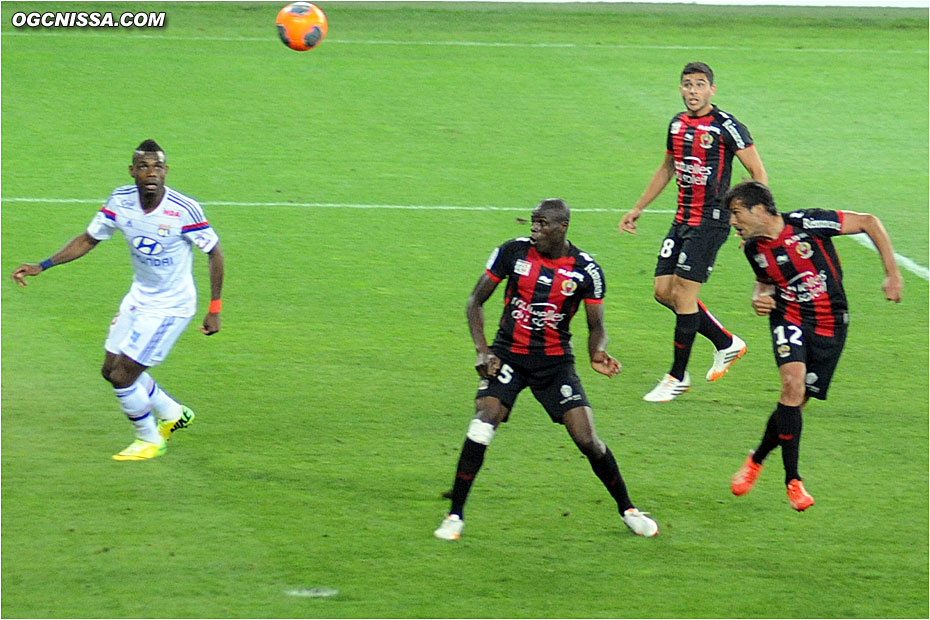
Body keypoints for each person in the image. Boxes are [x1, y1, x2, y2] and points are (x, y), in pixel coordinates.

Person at [434, 198, 658, 541]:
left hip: (554, 363)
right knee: (483, 423)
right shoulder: (513, 252)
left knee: (588, 440)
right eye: (533, 222)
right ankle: (455, 516)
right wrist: (482, 350)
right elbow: (475, 301)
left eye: (541, 224)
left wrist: (597, 352)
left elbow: (596, 325)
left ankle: (628, 510)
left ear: (561, 227)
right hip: (508, 356)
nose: (534, 229)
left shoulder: (586, 270)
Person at [11, 139, 224, 461]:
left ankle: (149, 440)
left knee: (123, 376)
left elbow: (214, 253)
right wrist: (43, 265)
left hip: (172, 306)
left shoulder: (184, 209)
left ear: (166, 171)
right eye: (143, 167)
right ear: (132, 171)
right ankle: (173, 413)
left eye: (157, 167)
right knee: (110, 369)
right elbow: (88, 239)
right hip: (139, 296)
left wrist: (214, 309)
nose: (151, 173)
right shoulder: (120, 201)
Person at [724, 180, 902, 511]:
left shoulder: (809, 223)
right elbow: (764, 284)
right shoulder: (753, 249)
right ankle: (793, 480)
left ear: (759, 209)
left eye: (736, 213)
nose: (733, 221)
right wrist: (758, 298)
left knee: (795, 403)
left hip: (830, 323)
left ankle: (757, 458)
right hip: (788, 317)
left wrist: (892, 274)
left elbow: (869, 222)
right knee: (791, 386)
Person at [619, 62, 768, 402]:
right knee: (663, 291)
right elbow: (667, 168)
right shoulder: (677, 124)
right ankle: (726, 343)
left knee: (684, 294)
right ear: (680, 88)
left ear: (712, 90)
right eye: (687, 84)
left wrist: (751, 221)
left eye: (700, 85)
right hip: (682, 219)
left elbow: (758, 172)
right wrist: (638, 207)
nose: (693, 91)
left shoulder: (727, 127)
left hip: (712, 221)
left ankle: (677, 376)